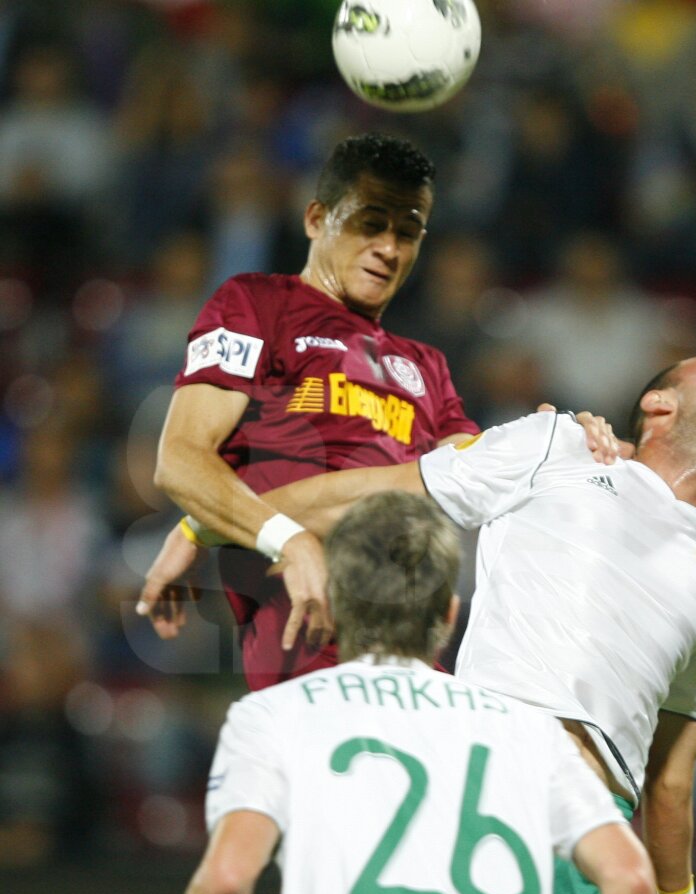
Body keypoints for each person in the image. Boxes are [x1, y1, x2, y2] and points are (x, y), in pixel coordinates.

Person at [149, 354, 696, 894]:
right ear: (659, 405)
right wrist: (211, 524)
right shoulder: (558, 447)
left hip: (594, 846)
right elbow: (376, 492)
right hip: (483, 800)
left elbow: (671, 777)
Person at [137, 492, 657, 894]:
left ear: (331, 601)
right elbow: (632, 880)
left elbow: (225, 880)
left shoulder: (274, 718)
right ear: (449, 614)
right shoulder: (529, 730)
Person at [139, 131, 620, 689]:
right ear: (316, 219)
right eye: (370, 225)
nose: (389, 249)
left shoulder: (426, 366)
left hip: (418, 660)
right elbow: (180, 461)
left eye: (407, 233)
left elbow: (471, 471)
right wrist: (285, 538)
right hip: (314, 652)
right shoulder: (257, 304)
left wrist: (565, 440)